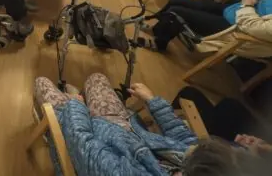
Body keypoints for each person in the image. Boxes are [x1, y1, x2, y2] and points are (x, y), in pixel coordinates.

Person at [34, 73, 271, 176]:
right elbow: (184, 138)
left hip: (84, 137)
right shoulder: (202, 159)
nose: (244, 141)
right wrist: (152, 101)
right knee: (96, 78)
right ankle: (75, 96)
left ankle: (64, 110)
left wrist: (77, 106)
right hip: (122, 126)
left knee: (42, 82)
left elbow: (81, 143)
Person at [145, 0, 272, 54]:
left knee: (176, 12)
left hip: (236, 29)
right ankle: (157, 29)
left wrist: (247, 5)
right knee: (176, 1)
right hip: (236, 10)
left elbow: (255, 29)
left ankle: (159, 44)